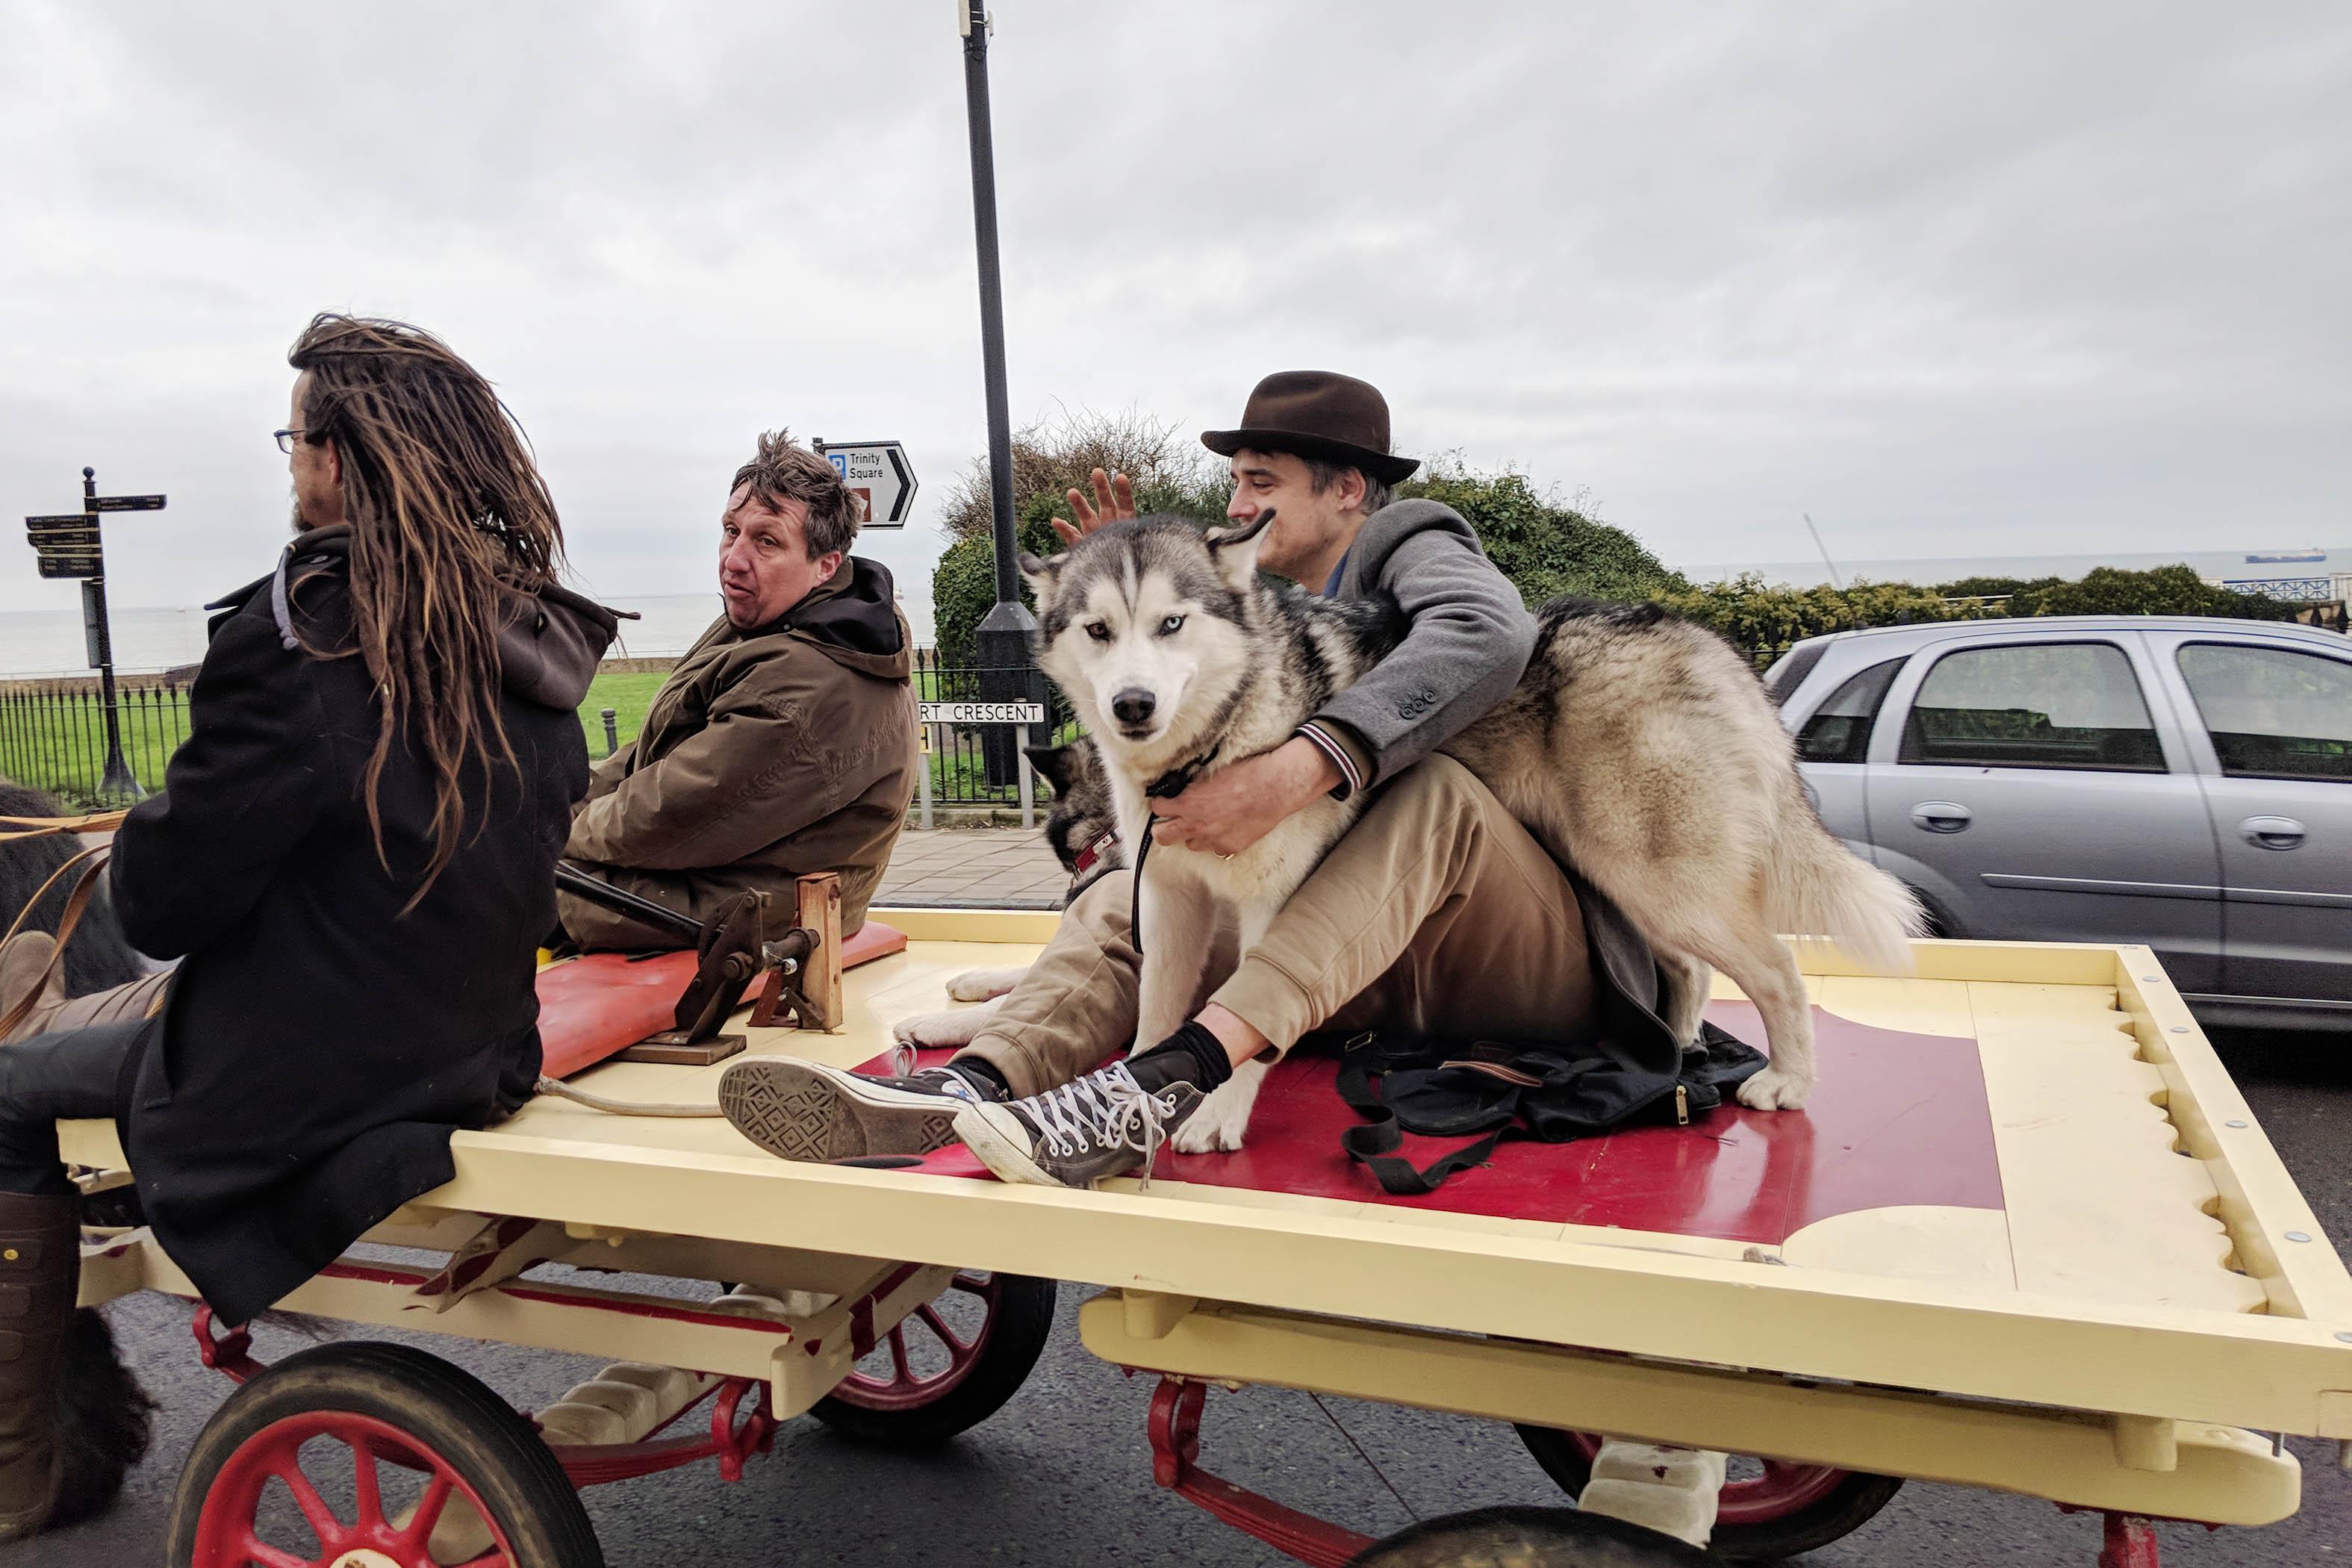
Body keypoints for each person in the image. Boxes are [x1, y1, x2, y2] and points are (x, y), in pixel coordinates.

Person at [720, 370, 1681, 1186]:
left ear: (1349, 490)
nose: (1236, 508)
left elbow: (1490, 632)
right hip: (1383, 959)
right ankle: (980, 1082)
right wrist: (1127, 586)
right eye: (1233, 485)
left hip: (1534, 956)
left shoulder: (1415, 546)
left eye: (1259, 483)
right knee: (1145, 872)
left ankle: (1187, 1066)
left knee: (1429, 799)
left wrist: (1309, 765)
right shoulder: (1282, 606)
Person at [0, 314, 616, 1540]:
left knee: (5, 1087)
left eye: (296, 437)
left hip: (299, 1074)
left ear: (342, 457)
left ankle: (22, 1469)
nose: (290, 464)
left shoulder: (300, 646)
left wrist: (173, 825)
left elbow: (162, 904)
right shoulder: (533, 644)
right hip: (473, 1052)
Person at [556, 432, 917, 948]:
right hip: (720, 882)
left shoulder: (805, 683)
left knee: (485, 891)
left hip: (736, 909)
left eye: (767, 541)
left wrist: (544, 831)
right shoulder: (777, 623)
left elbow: (667, 817)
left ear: (826, 565)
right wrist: (555, 803)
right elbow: (660, 755)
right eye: (731, 532)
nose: (734, 558)